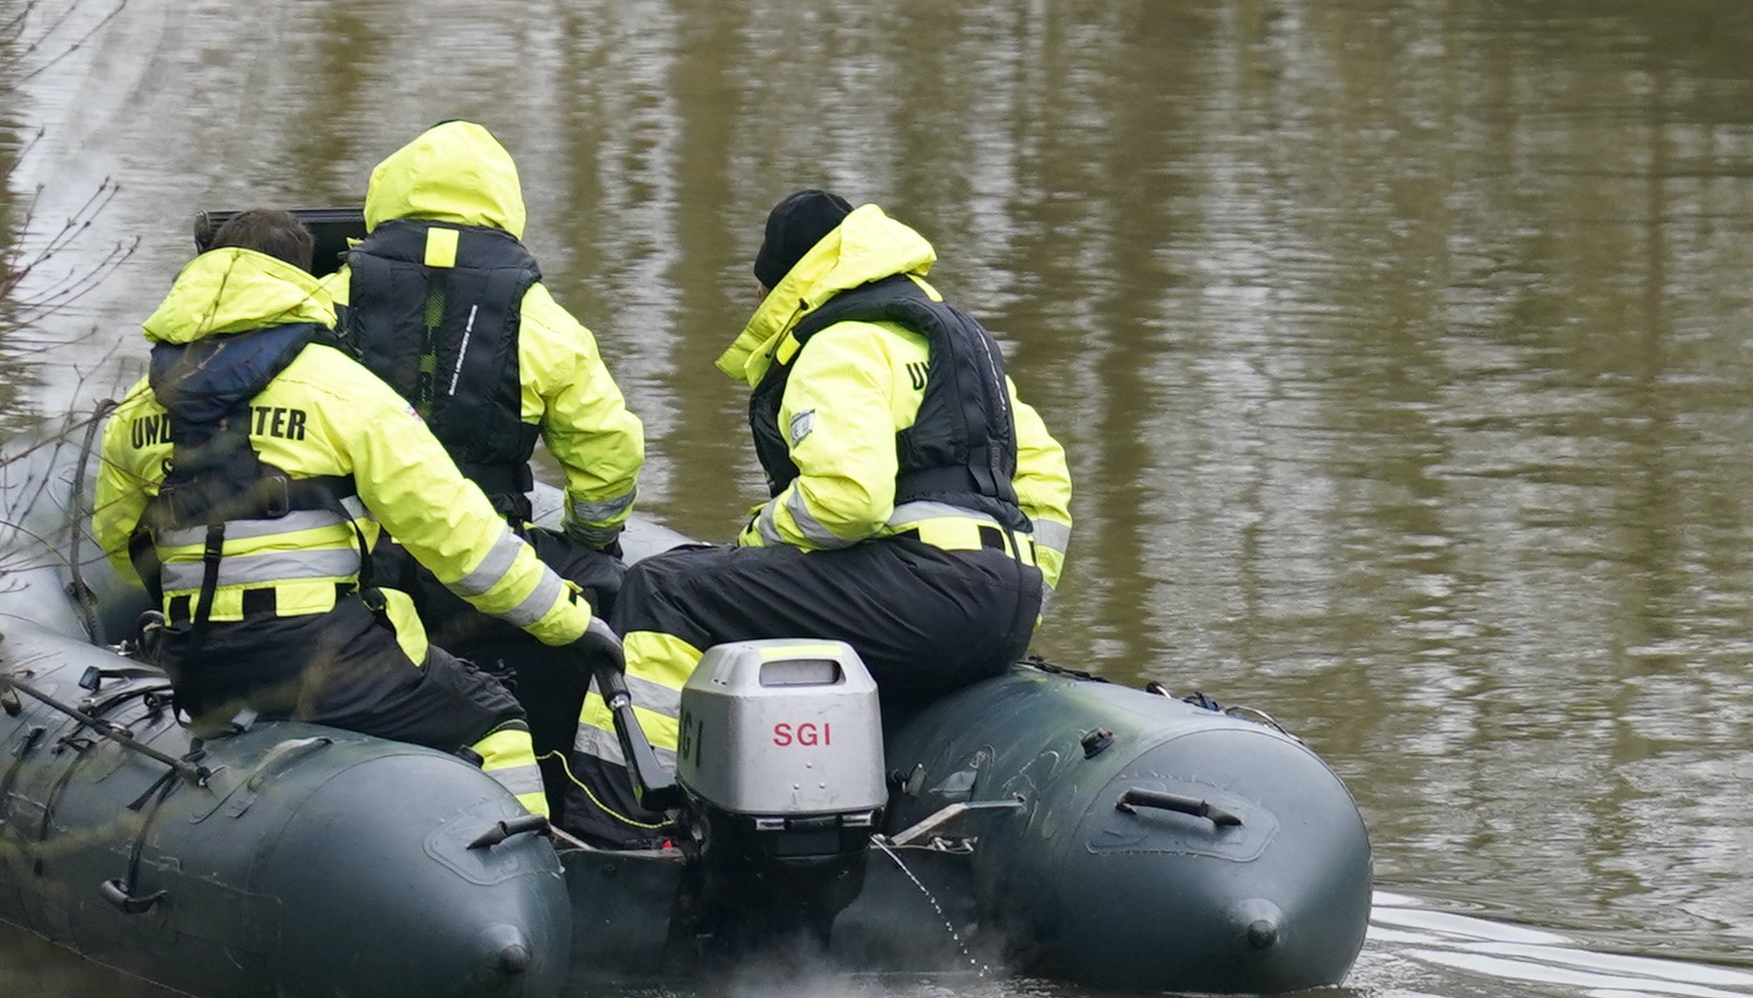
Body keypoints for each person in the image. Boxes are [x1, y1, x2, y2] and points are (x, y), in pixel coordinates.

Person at [84, 208, 607, 823]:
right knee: (493, 719)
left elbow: (120, 543)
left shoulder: (140, 408)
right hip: (318, 660)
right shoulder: (344, 389)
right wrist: (568, 623)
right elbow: (462, 538)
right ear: (302, 281)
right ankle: (530, 869)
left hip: (198, 664)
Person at [602, 192, 1074, 771]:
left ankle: (625, 810)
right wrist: (1028, 595)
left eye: (762, 285)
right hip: (1007, 605)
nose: (756, 299)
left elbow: (850, 500)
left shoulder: (838, 342)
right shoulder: (960, 347)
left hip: (921, 591)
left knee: (663, 589)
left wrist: (762, 534)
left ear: (788, 283)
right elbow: (1046, 481)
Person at [327, 119, 650, 808]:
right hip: (486, 568)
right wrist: (590, 540)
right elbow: (607, 447)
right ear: (504, 204)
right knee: (618, 596)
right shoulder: (538, 315)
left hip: (352, 573)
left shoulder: (331, 294)